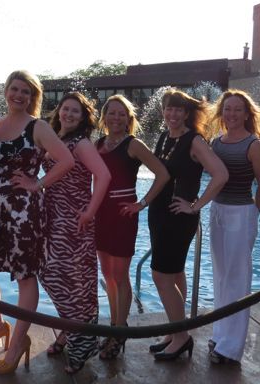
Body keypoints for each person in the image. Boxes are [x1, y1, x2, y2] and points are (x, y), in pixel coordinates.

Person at [0, 70, 74, 375]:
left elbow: (67, 160)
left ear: (32, 97)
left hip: (24, 212)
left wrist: (37, 183)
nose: (19, 95)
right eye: (15, 89)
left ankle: (17, 342)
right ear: (6, 91)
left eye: (25, 91)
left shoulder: (37, 126)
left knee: (25, 277)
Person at [148, 88, 228, 361]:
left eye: (178, 109)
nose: (172, 114)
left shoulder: (194, 140)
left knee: (161, 276)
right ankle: (175, 330)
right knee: (174, 274)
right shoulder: (164, 137)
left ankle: (181, 337)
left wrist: (195, 205)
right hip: (160, 215)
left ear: (186, 113)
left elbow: (220, 174)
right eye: (168, 108)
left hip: (178, 218)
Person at [38, 92, 111, 374]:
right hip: (52, 216)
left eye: (75, 111)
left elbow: (103, 176)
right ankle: (72, 330)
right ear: (59, 111)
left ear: (82, 118)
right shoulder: (55, 138)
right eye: (65, 109)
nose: (68, 114)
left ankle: (81, 343)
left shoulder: (81, 143)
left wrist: (90, 211)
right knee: (51, 274)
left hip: (73, 219)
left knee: (69, 279)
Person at [94, 94, 169, 360]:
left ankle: (119, 331)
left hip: (123, 214)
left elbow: (162, 174)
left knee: (120, 275)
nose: (116, 117)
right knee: (108, 275)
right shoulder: (98, 144)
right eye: (112, 113)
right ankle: (114, 326)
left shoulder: (133, 144)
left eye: (121, 114)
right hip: (101, 215)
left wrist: (142, 203)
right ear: (104, 117)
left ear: (128, 119)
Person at [207, 89, 260, 366]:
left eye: (237, 109)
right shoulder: (216, 143)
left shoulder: (253, 145)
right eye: (227, 109)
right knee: (221, 276)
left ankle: (231, 348)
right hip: (218, 211)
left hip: (241, 213)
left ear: (246, 114)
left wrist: (253, 213)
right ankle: (220, 333)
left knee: (237, 279)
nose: (231, 114)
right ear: (221, 113)